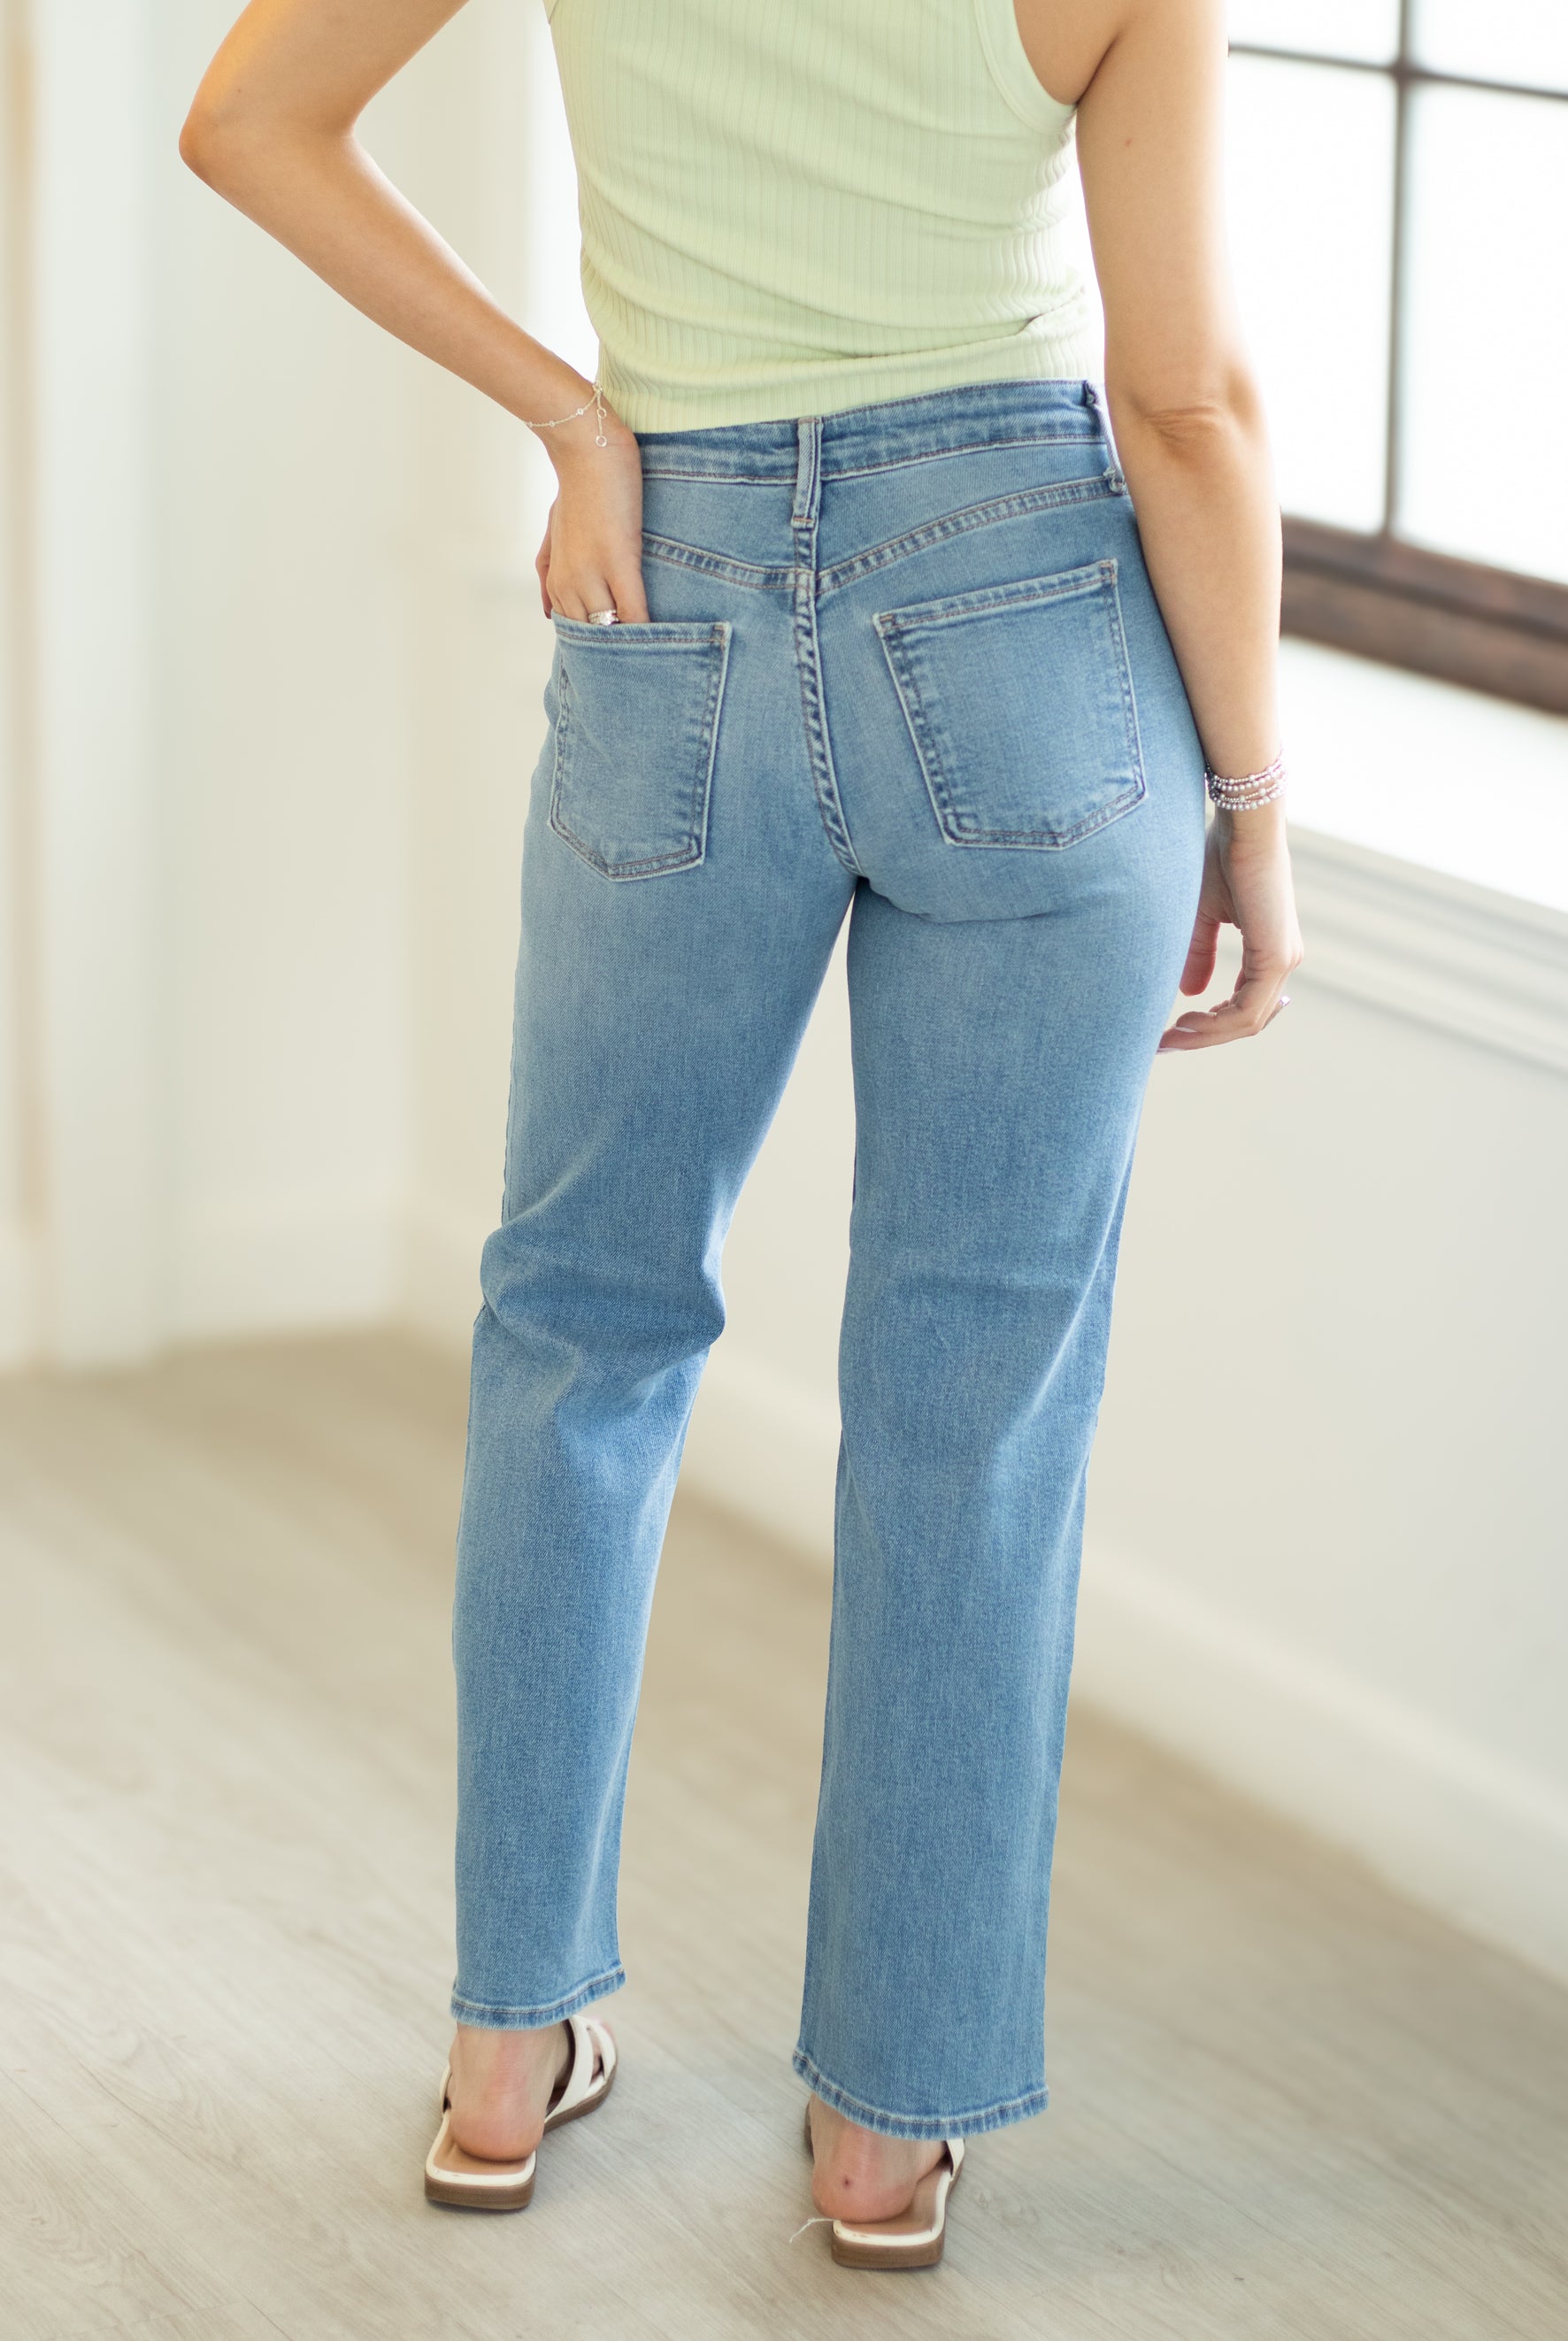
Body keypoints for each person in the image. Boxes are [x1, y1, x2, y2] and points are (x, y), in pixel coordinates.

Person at [183, 0, 1300, 2271]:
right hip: (1028, 620)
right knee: (971, 1398)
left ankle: (510, 2052)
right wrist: (1255, 813)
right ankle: (883, 2133)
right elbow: (1184, 407)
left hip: (665, 589)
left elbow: (247, 122)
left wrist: (571, 419)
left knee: (578, 1326)